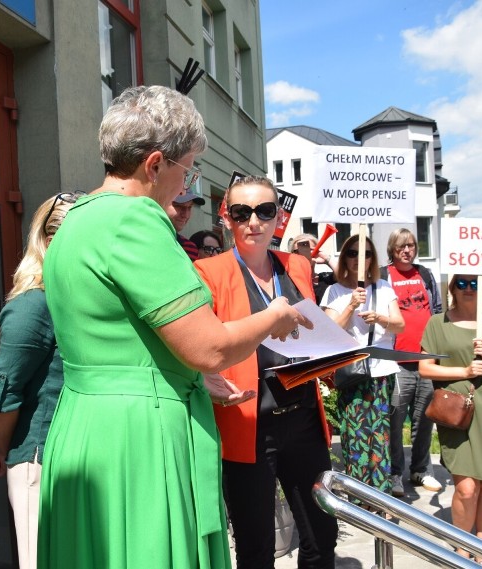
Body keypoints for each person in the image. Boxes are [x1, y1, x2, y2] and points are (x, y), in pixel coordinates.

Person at [38, 86, 310, 569]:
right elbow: (208, 347)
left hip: (87, 425)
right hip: (137, 437)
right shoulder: (136, 220)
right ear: (156, 163)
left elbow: (119, 336)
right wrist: (275, 315)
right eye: (189, 169)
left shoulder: (77, 217)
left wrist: (187, 377)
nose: (187, 184)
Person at [195, 175, 337, 568]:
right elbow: (208, 339)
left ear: (279, 217)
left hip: (304, 418)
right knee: (256, 548)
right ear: (227, 218)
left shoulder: (297, 266)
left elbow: (310, 327)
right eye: (242, 212)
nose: (253, 221)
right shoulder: (210, 272)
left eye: (264, 211)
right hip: (250, 422)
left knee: (322, 537)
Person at [0, 193, 75, 568]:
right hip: (38, 456)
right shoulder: (33, 304)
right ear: (51, 242)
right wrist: (7, 453)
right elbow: (1, 396)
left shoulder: (72, 297)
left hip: (71, 452)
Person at [418, 274, 482, 557]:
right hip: (457, 409)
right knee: (466, 487)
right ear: (452, 289)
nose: (469, 288)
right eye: (462, 283)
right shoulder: (439, 323)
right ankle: (462, 549)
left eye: (475, 283)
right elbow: (426, 368)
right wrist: (463, 372)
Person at [320, 234, 404, 494]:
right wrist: (350, 306)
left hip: (381, 373)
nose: (359, 259)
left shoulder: (383, 288)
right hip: (352, 373)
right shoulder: (334, 290)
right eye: (353, 253)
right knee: (355, 438)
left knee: (380, 439)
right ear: (344, 257)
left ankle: (380, 500)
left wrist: (379, 318)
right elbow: (328, 333)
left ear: (373, 259)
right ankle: (359, 496)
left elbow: (399, 324)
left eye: (366, 253)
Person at [381, 228, 443, 497]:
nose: (407, 251)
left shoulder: (425, 274)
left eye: (411, 246)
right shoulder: (384, 276)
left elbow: (437, 311)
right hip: (397, 361)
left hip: (426, 359)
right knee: (395, 420)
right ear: (392, 250)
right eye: (401, 247)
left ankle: (421, 470)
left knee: (424, 418)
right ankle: (395, 472)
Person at [289, 232, 337, 302]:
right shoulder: (288, 280)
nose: (303, 253)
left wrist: (327, 259)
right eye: (297, 251)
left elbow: (346, 277)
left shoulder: (324, 279)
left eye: (309, 249)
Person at [170, 192, 206, 260]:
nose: (186, 215)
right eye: (178, 206)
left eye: (189, 207)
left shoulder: (190, 248)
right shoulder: (145, 238)